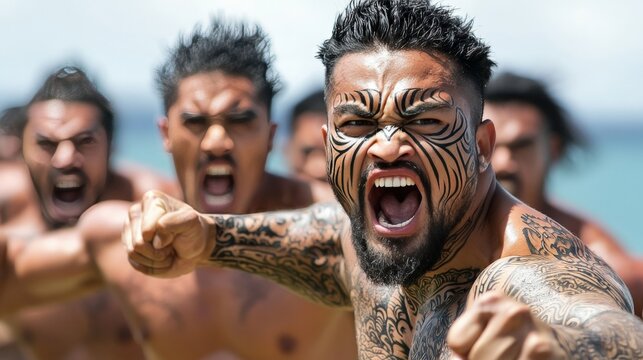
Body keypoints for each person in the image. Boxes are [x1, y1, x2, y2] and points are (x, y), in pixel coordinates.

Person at [124, 0, 643, 359]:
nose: (387, 145)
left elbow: (607, 326)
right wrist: (210, 236)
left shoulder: (519, 273)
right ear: (329, 145)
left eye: (425, 122)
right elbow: (324, 242)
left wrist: (557, 346)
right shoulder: (372, 246)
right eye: (357, 124)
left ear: (481, 147)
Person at [2, 20, 357, 360]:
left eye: (240, 120)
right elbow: (12, 270)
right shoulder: (128, 235)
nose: (217, 141)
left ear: (270, 136)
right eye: (195, 122)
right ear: (165, 135)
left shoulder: (339, 226)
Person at [0, 66, 177, 359]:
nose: (66, 158)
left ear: (111, 147)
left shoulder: (153, 206)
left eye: (85, 142)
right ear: (21, 151)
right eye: (46, 143)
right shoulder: (7, 211)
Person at [485, 71, 643, 316]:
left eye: (521, 146)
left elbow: (626, 280)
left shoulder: (590, 251)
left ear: (553, 149)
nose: (505, 162)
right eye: (493, 146)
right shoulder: (442, 233)